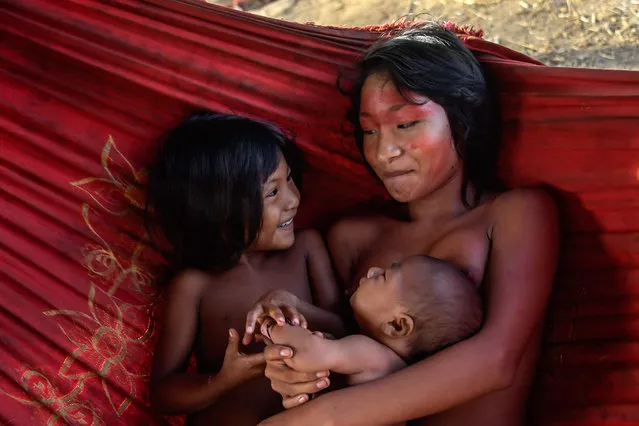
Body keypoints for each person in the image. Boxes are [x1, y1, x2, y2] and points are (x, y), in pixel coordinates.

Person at [257, 22, 559, 426]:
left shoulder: (514, 214)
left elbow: (497, 359)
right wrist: (293, 350)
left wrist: (324, 417)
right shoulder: (353, 237)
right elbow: (343, 350)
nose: (384, 151)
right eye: (368, 130)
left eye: (406, 124)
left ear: (461, 120)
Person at [144, 111, 345, 425]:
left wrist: (297, 308)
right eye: (272, 192)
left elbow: (348, 331)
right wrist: (223, 380)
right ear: (221, 211)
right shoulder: (195, 286)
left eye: (289, 178)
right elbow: (163, 392)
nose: (293, 199)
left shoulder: (307, 249)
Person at [255, 255, 483, 386]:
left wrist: (274, 327)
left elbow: (308, 352)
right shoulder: (375, 354)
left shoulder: (374, 357)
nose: (373, 270)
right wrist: (291, 305)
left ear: (397, 326)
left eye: (383, 276)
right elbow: (331, 325)